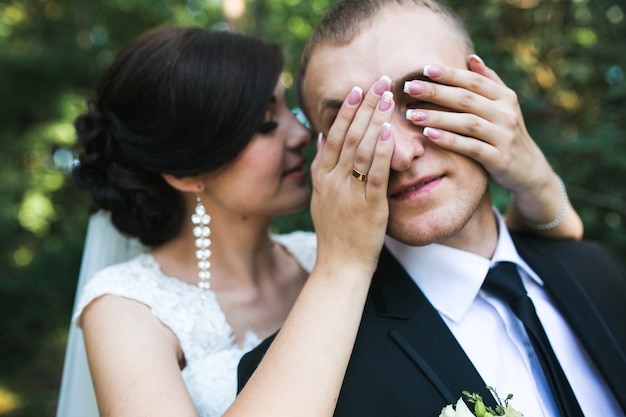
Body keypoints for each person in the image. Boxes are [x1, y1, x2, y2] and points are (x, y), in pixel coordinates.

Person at [56, 22, 582, 417]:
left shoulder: (324, 249)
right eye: (266, 124)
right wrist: (343, 264)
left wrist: (532, 177)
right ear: (185, 172)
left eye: (293, 112)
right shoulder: (126, 307)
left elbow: (514, 258)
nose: (303, 137)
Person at [237, 1, 626, 416]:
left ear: (487, 92)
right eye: (355, 127)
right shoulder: (306, 385)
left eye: (422, 97)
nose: (401, 154)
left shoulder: (597, 269)